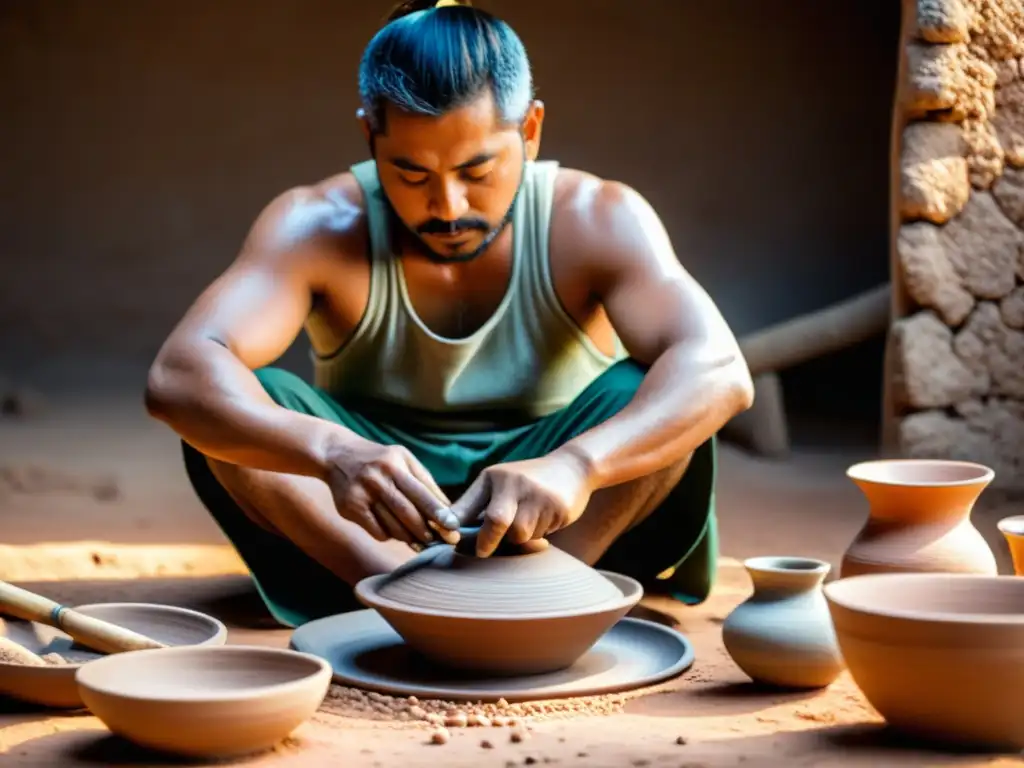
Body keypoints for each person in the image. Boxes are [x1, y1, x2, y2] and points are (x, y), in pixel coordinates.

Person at [144, 0, 754, 628]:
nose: (447, 204)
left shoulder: (598, 217)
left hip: (554, 510)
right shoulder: (315, 223)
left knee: (651, 392)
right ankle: (398, 598)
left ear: (531, 131)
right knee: (251, 400)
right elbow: (179, 377)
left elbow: (719, 371)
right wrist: (332, 453)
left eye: (477, 169)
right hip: (375, 518)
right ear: (369, 137)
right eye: (410, 173)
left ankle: (544, 599)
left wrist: (577, 465)